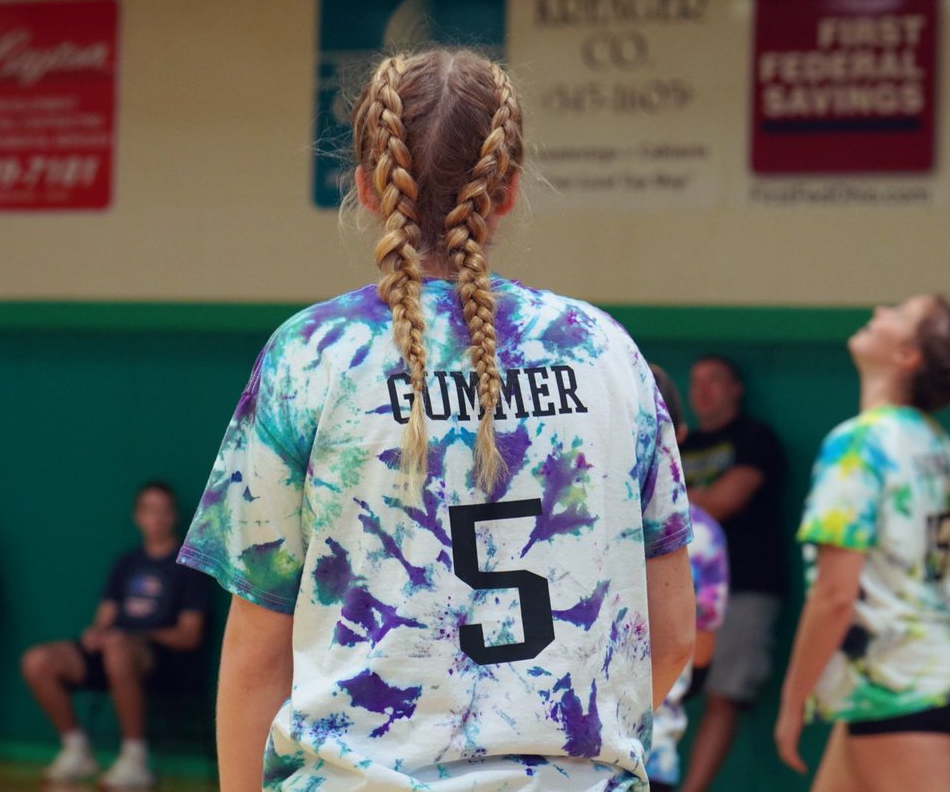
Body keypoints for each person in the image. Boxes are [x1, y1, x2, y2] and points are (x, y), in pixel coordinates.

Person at [177, 49, 696, 792]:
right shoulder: (609, 353)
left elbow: (257, 654)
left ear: (364, 186)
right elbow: (672, 636)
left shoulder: (313, 356)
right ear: (509, 190)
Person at [775, 296, 950, 792]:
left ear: (907, 355)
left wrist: (793, 703)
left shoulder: (857, 445)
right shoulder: (939, 447)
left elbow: (835, 596)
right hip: (899, 682)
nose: (879, 309)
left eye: (897, 312)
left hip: (899, 690)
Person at [21, 481, 211, 788]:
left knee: (119, 650)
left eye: (163, 511)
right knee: (37, 661)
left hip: (162, 660)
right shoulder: (127, 562)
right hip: (114, 649)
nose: (156, 518)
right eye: (149, 510)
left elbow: (189, 635)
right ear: (138, 516)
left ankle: (135, 759)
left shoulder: (188, 565)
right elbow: (105, 619)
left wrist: (140, 636)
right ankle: (76, 749)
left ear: (174, 516)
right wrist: (96, 634)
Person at [677, 354, 786, 792]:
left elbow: (724, 501)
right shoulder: (679, 443)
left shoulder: (754, 438)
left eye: (714, 380)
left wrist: (687, 499)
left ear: (736, 388)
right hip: (679, 588)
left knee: (724, 694)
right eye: (695, 381)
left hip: (745, 586)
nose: (702, 391)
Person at [645, 366, 729, 792]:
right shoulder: (705, 533)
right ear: (677, 433)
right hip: (651, 749)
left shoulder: (570, 521)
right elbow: (695, 653)